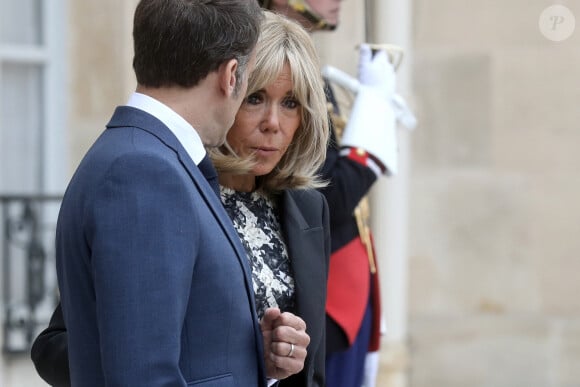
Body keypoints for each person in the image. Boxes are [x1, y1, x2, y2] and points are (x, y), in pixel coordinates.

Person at [31, 10, 331, 387]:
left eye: (290, 103)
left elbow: (313, 366)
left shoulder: (307, 208)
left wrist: (268, 358)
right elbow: (101, 347)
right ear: (231, 80)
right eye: (255, 97)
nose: (273, 122)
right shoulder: (162, 184)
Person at [259, 1, 400, 387]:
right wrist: (372, 131)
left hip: (347, 290)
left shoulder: (306, 63)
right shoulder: (274, 61)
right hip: (323, 298)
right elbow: (323, 197)